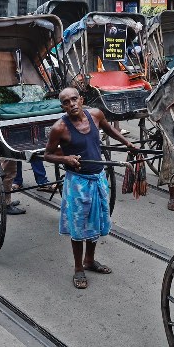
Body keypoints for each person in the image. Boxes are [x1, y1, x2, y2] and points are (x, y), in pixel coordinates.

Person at [44, 87, 137, 289]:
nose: (71, 104)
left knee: (95, 220)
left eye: (74, 99)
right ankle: (78, 268)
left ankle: (90, 260)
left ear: (81, 99)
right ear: (62, 106)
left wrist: (127, 143)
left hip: (98, 177)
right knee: (79, 225)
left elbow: (110, 130)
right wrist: (65, 159)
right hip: (77, 182)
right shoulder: (59, 128)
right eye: (66, 102)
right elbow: (47, 155)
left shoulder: (95, 115)